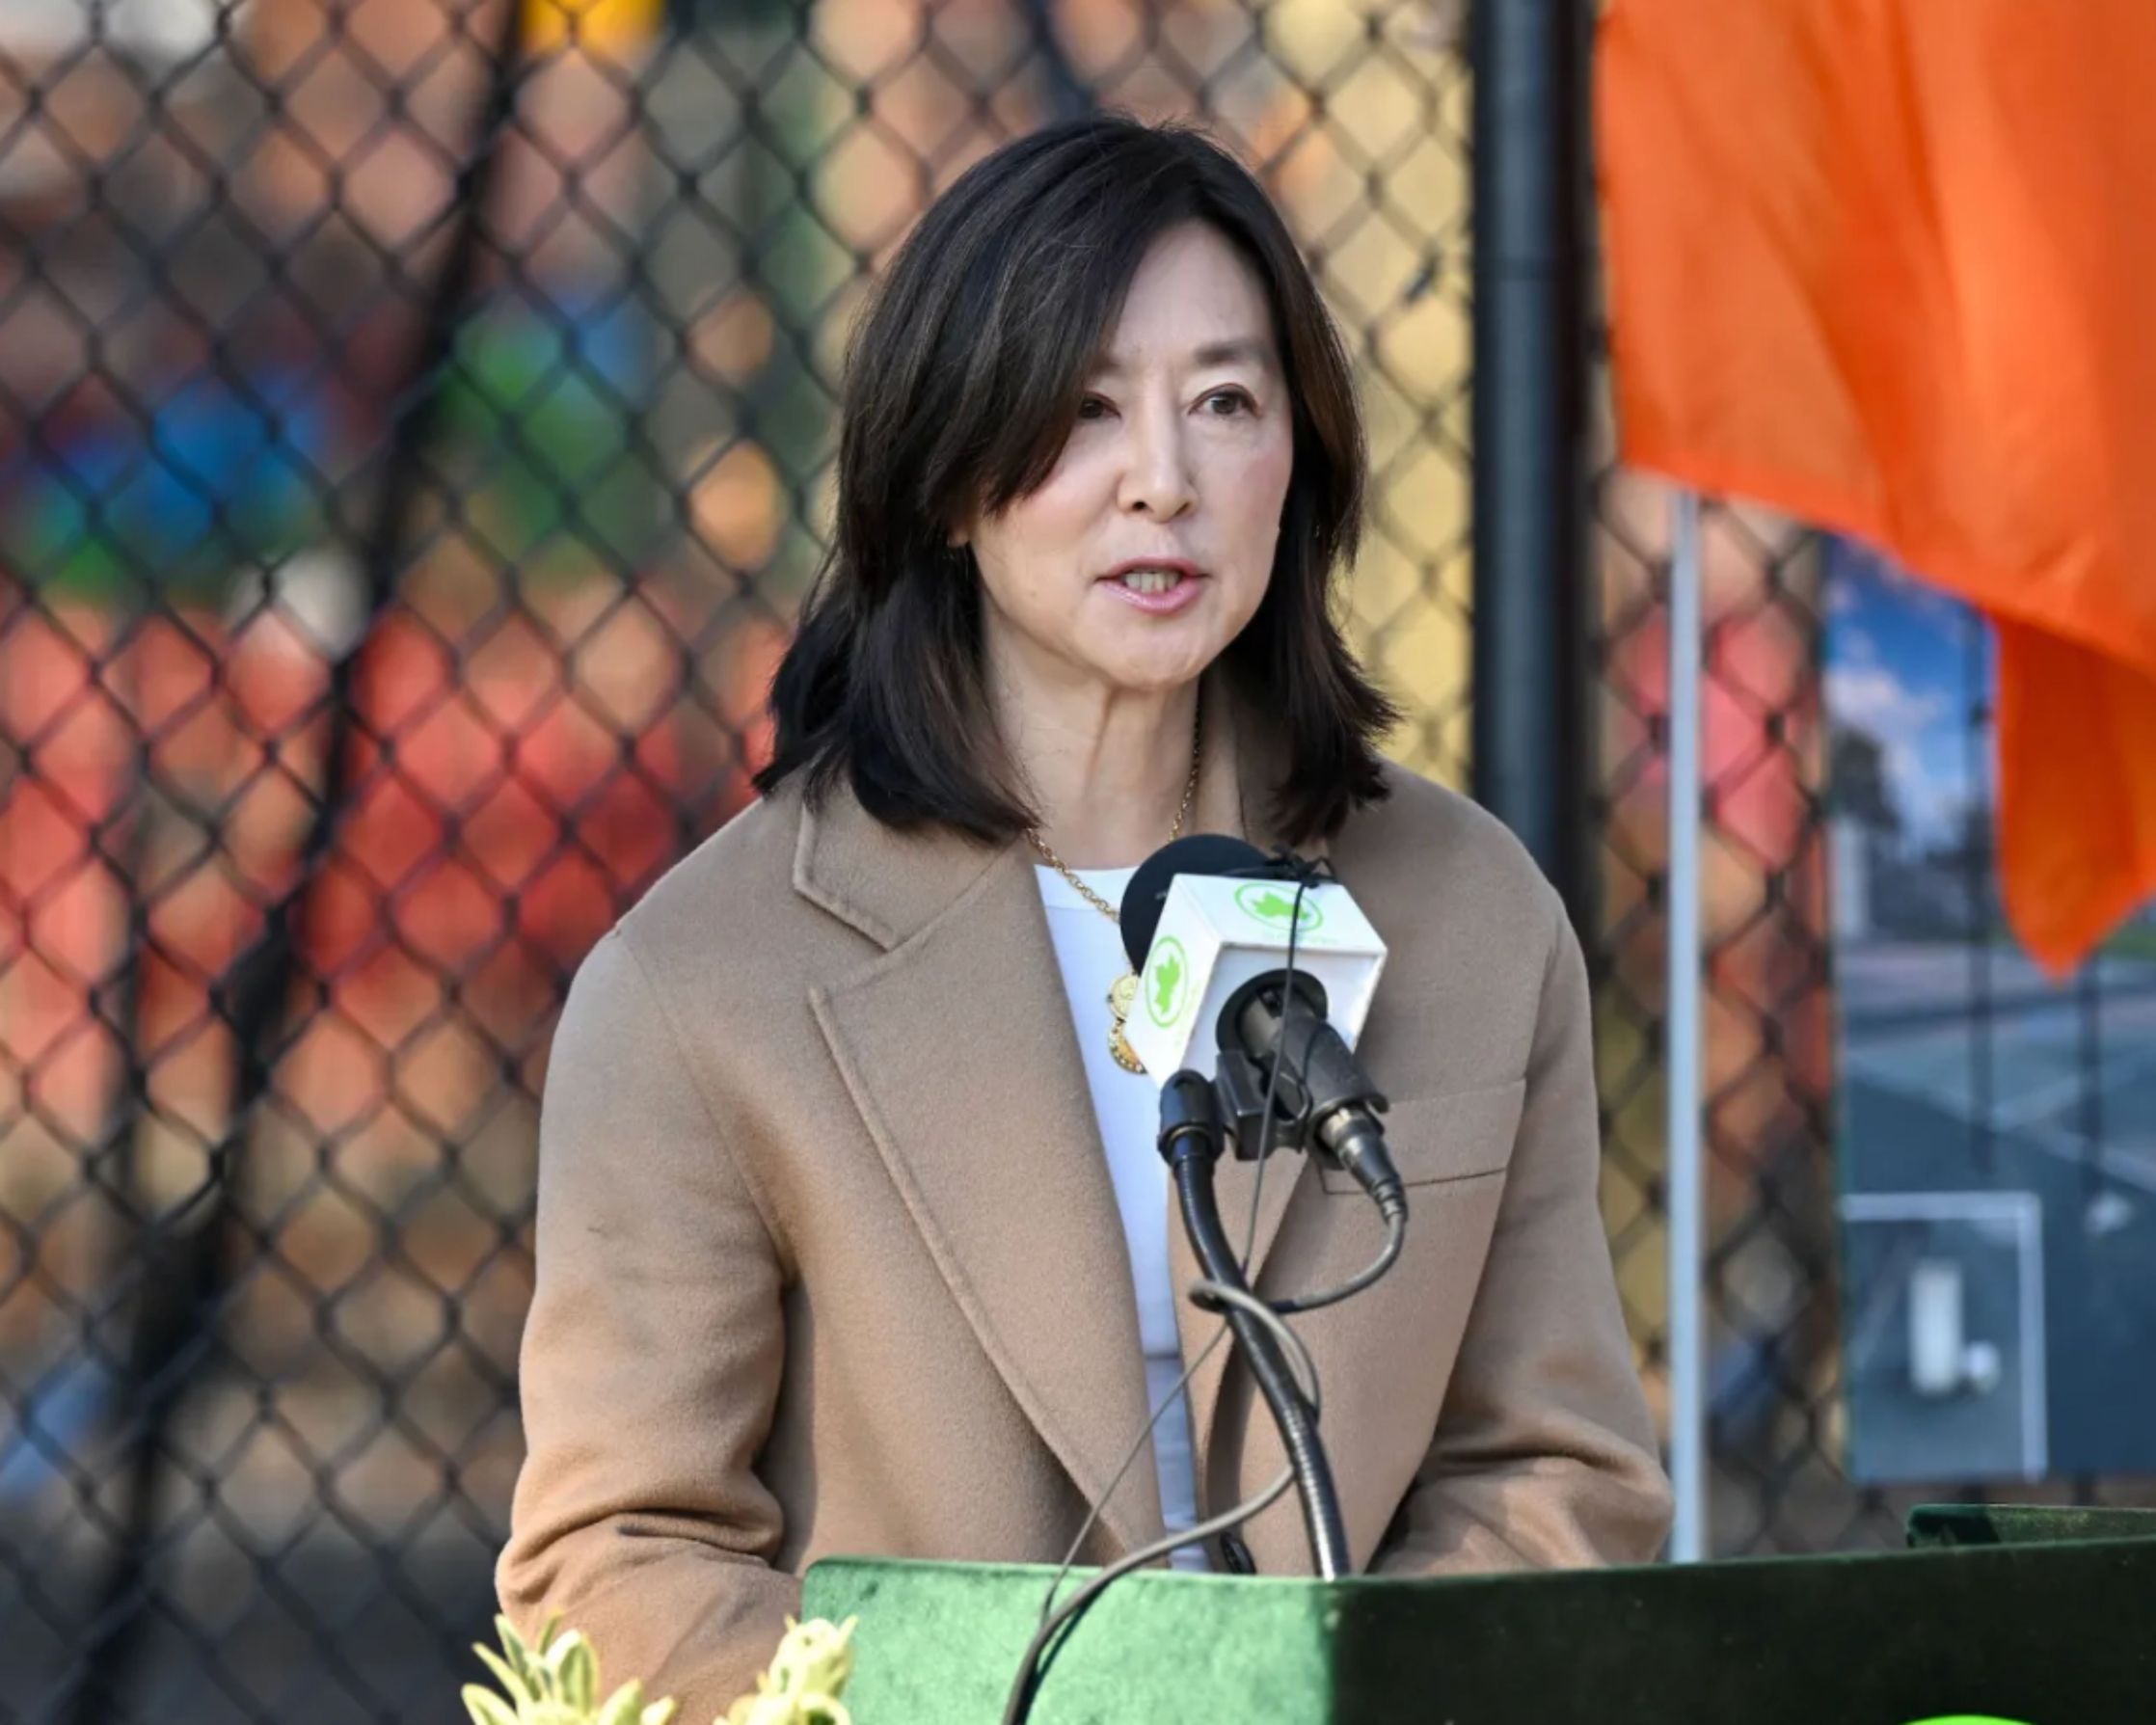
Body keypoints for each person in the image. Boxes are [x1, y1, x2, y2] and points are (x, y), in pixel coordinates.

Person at [498, 113, 1671, 1718]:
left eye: (1226, 403)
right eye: (1086, 410)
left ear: (1299, 464)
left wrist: (1312, 1702)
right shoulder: (701, 990)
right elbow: (618, 1566)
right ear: (954, 467)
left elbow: (1558, 1476)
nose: (1165, 482)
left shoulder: (1473, 916)